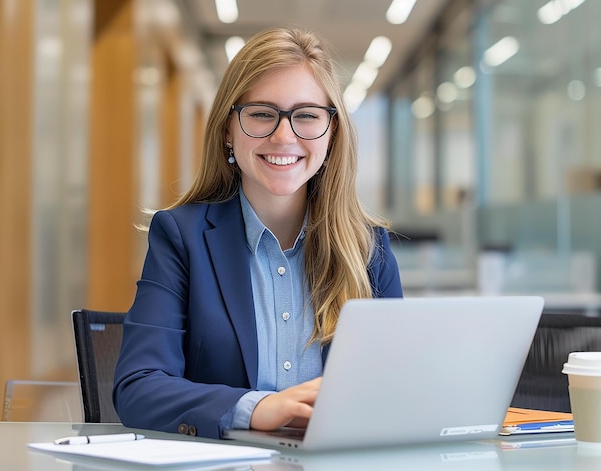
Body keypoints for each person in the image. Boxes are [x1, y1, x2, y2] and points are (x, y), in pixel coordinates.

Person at [113, 27, 403, 440]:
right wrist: (256, 408)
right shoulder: (181, 237)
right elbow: (138, 388)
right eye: (262, 114)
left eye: (306, 115)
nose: (284, 136)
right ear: (228, 129)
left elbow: (397, 387)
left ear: (332, 133)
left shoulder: (367, 247)